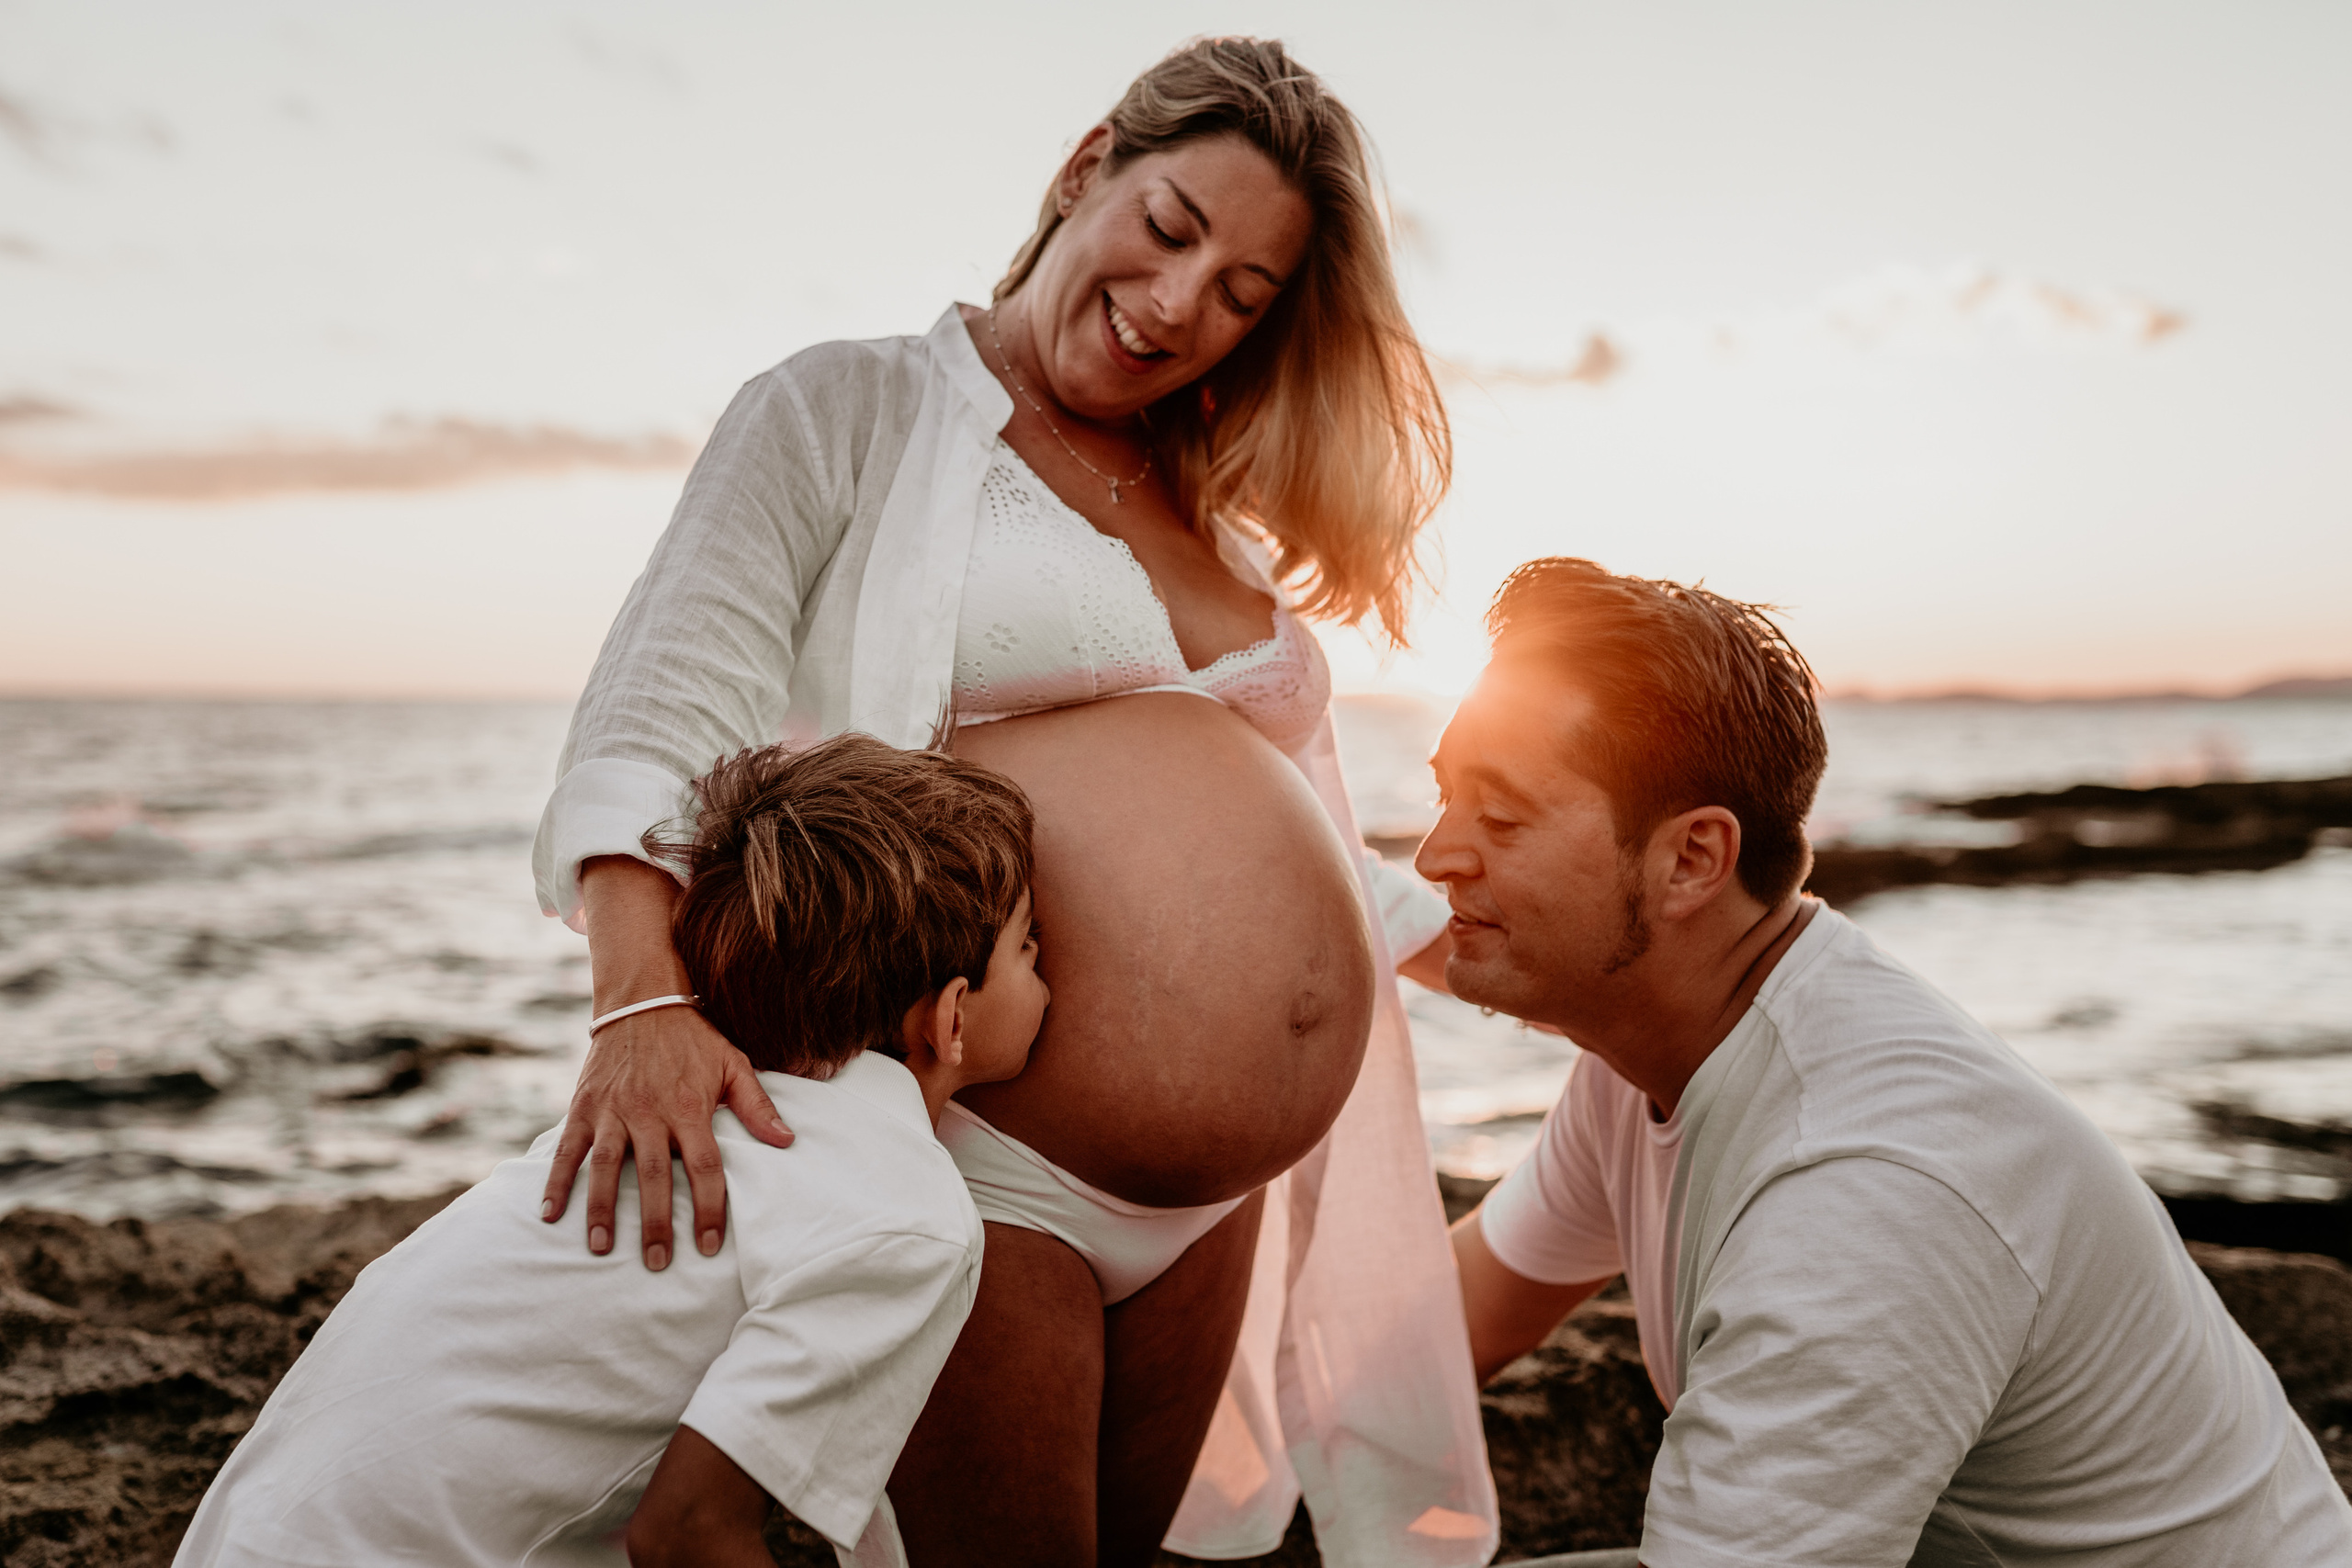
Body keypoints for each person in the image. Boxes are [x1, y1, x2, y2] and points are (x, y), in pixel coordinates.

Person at [527, 36, 1491, 1568]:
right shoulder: (846, 413)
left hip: (1211, 1203)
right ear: (1085, 166)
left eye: (1244, 292)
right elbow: (664, 707)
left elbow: (1286, 816)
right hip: (980, 1150)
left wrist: (1516, 944)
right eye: (1171, 227)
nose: (1182, 303)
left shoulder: (1206, 505)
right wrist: (637, 1004)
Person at [1430, 558, 2352, 1564]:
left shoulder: (1865, 1185)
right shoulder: (1647, 1057)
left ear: (1692, 858)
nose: (1435, 855)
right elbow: (1445, 1325)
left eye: (1500, 817)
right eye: (1442, 799)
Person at [174, 735, 1047, 1568]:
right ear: (952, 1018)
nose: (1049, 968)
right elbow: (685, 1537)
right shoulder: (906, 1215)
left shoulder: (663, 1119)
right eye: (1027, 948)